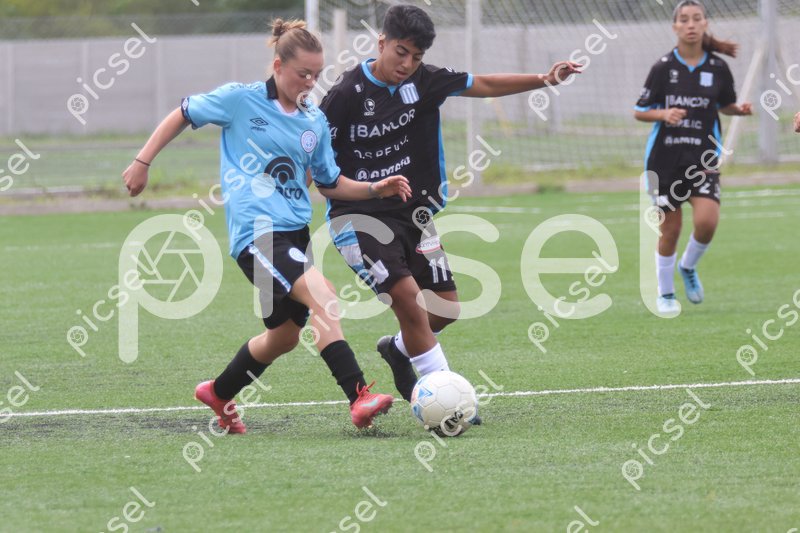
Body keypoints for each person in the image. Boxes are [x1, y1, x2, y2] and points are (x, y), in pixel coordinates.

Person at [122, 19, 412, 433]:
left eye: (316, 75)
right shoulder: (240, 100)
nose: (310, 83)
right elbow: (183, 113)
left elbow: (329, 182)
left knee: (285, 336)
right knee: (324, 295)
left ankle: (219, 392)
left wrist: (373, 189)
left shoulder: (313, 121)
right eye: (302, 74)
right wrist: (142, 161)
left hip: (294, 233)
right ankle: (358, 396)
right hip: (257, 233)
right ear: (278, 66)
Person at [319, 4, 581, 404]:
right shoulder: (345, 94)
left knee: (445, 309)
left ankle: (398, 350)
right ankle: (447, 400)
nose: (407, 64)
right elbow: (317, 170)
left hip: (413, 214)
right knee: (409, 301)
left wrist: (544, 79)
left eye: (416, 57)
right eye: (401, 52)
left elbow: (483, 84)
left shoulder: (424, 81)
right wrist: (364, 188)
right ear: (381, 42)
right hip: (358, 218)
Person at [634, 0, 751, 315]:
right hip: (664, 162)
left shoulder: (717, 68)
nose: (690, 24)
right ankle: (666, 294)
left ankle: (687, 266)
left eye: (696, 18)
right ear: (675, 27)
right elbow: (640, 111)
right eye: (684, 19)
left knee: (707, 221)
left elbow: (724, 105)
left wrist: (738, 110)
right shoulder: (662, 67)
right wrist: (663, 113)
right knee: (670, 230)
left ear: (705, 24)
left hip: (703, 160)